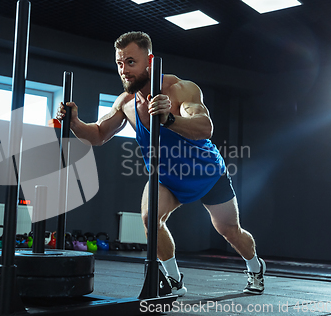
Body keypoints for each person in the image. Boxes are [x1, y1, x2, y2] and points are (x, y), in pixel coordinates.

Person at [55, 31, 265, 296]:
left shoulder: (180, 89)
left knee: (229, 231)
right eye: (120, 63)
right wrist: (73, 122)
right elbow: (97, 134)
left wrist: (169, 119)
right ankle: (175, 280)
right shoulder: (125, 103)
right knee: (149, 218)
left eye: (131, 62)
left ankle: (255, 266)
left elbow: (205, 127)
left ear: (150, 62)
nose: (124, 70)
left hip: (206, 173)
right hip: (167, 178)